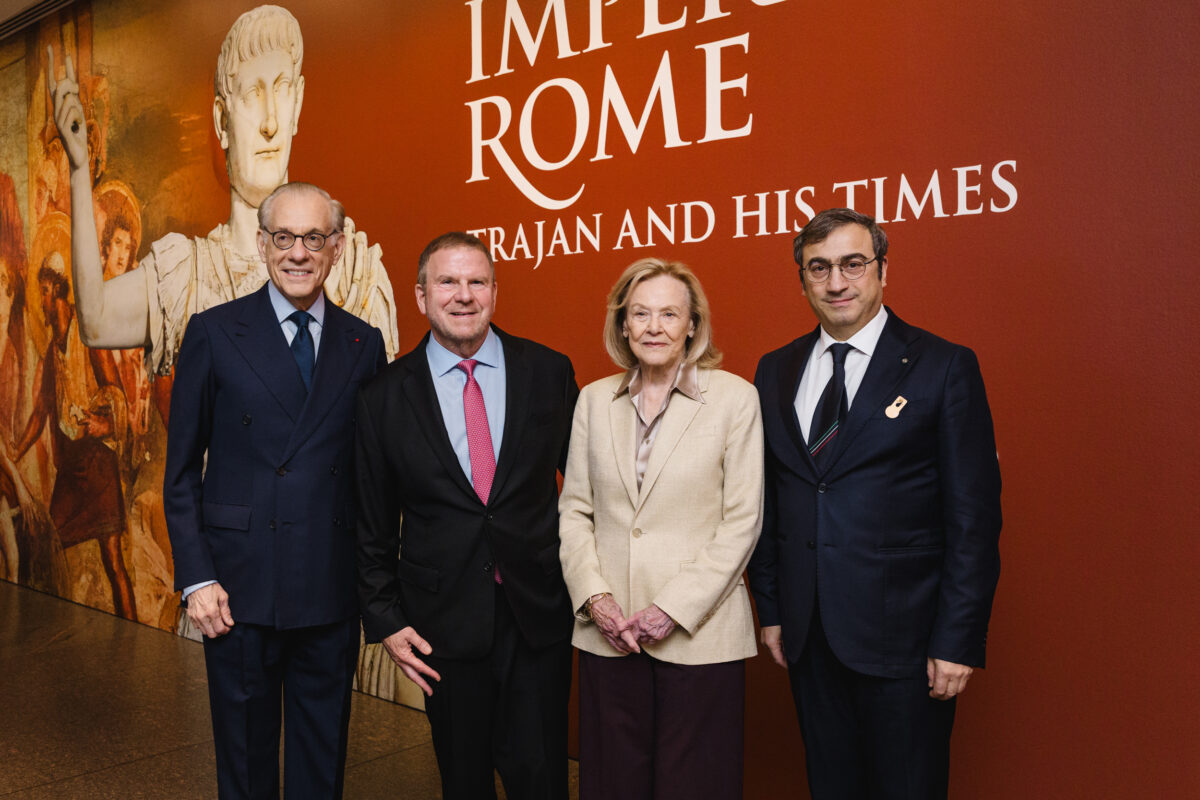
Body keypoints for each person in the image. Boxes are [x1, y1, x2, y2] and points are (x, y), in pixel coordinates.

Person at [747, 208, 1002, 800]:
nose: (836, 282)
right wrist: (773, 609)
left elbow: (974, 518)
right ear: (803, 281)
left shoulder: (943, 365)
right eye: (819, 268)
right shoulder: (775, 370)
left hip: (907, 641)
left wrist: (957, 640)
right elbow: (769, 499)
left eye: (853, 264)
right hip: (809, 636)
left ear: (883, 270)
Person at [163, 182, 386, 799]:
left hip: (329, 589)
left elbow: (374, 480)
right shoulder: (213, 332)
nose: (298, 253)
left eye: (314, 237)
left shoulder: (364, 343)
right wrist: (196, 578)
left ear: (336, 247)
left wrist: (377, 588)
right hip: (236, 590)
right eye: (283, 237)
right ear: (261, 245)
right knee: (244, 761)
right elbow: (180, 473)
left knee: (322, 760)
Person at [47, 4, 398, 373]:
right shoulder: (189, 276)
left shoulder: (355, 273)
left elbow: (386, 405)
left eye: (281, 90)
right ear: (221, 119)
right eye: (252, 94)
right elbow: (96, 318)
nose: (270, 122)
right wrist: (79, 169)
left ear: (297, 105)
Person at [356, 232, 578, 800]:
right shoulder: (383, 397)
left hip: (537, 613)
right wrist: (385, 619)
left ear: (495, 292)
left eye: (477, 281)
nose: (463, 295)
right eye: (447, 282)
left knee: (543, 778)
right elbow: (372, 524)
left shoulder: (548, 372)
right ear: (420, 296)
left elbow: (586, 493)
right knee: (463, 779)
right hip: (442, 623)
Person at [558, 258, 764, 800]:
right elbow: (575, 511)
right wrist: (595, 599)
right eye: (640, 313)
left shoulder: (735, 398)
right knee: (612, 783)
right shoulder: (593, 400)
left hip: (700, 634)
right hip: (609, 633)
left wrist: (670, 609)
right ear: (622, 324)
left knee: (695, 785)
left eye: (669, 314)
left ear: (693, 324)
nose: (654, 327)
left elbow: (743, 522)